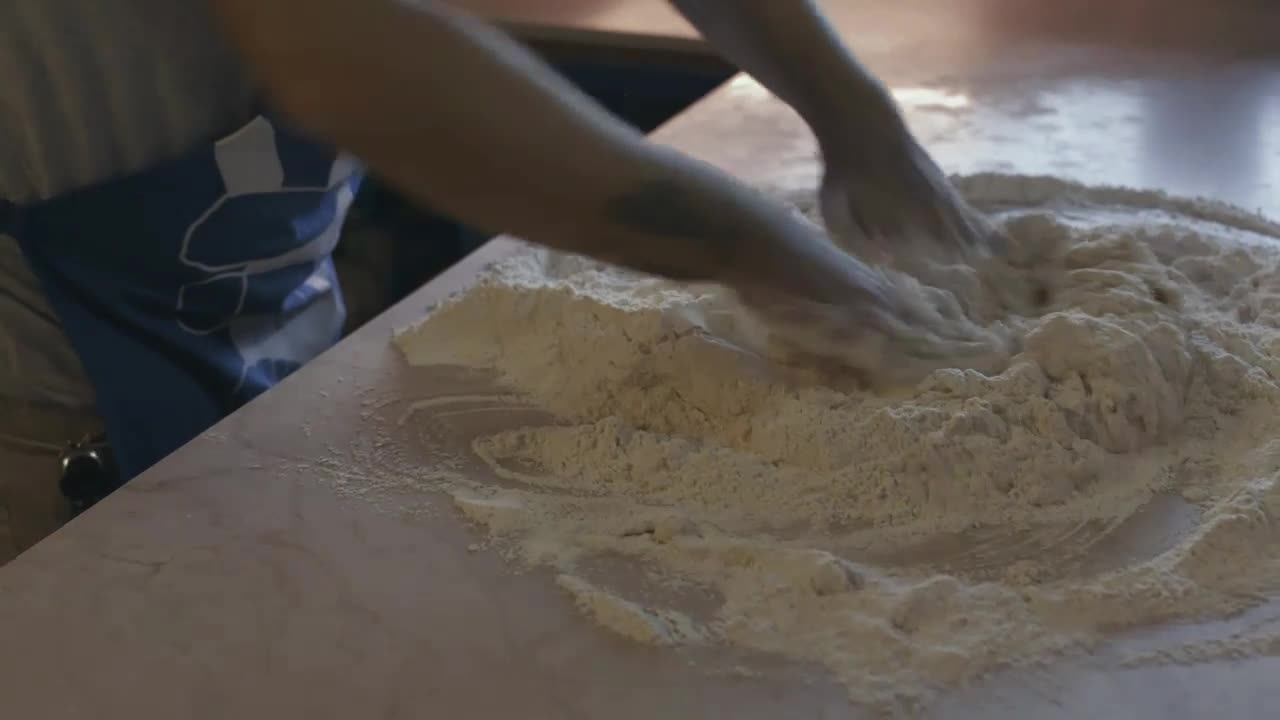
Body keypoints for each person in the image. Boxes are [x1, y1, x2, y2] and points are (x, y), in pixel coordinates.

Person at [0, 0, 995, 564]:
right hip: (42, 446)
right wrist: (781, 264)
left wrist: (855, 116)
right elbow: (357, 63)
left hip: (242, 361)